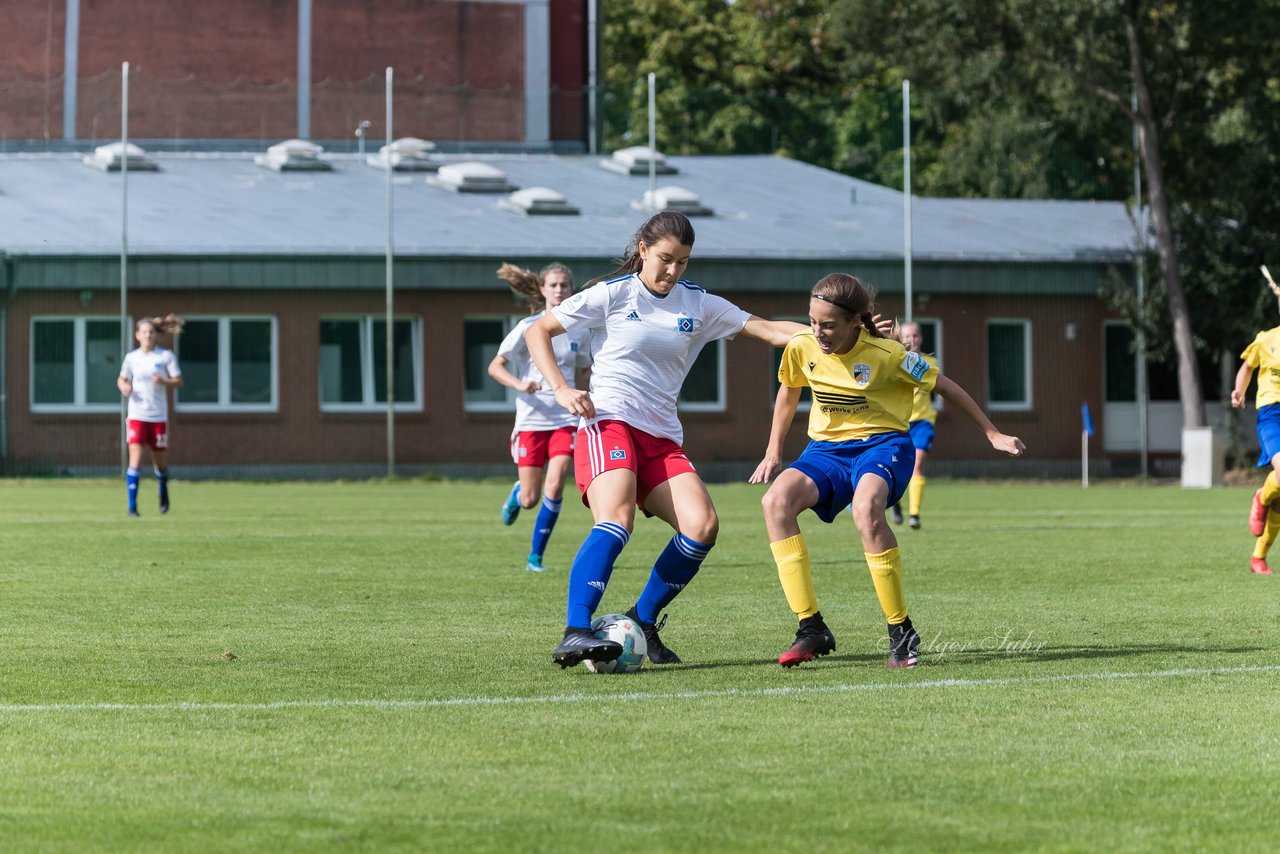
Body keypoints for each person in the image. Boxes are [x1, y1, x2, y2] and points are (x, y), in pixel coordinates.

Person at [524, 210, 809, 669]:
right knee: (617, 520)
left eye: (683, 262)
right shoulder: (613, 295)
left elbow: (773, 331)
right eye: (665, 259)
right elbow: (540, 330)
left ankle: (644, 620)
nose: (673, 271)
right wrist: (560, 387)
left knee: (702, 526)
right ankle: (576, 629)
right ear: (642, 250)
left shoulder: (699, 305)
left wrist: (838, 334)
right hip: (609, 423)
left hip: (661, 439)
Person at [750, 274, 1025, 669]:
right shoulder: (802, 347)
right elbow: (789, 391)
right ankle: (811, 627)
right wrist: (774, 451)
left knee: (865, 510)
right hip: (825, 450)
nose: (818, 332)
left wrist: (993, 433)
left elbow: (945, 386)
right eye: (812, 322)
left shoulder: (888, 355)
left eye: (828, 325)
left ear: (853, 322)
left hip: (884, 445)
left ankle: (900, 630)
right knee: (775, 502)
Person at [488, 262, 592, 572]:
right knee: (532, 498)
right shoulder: (527, 327)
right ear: (543, 290)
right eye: (554, 285)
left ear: (571, 290)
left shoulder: (580, 330)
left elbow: (585, 368)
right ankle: (520, 492)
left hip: (565, 419)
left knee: (557, 483)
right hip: (532, 419)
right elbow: (495, 366)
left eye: (565, 285)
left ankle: (535, 557)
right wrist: (520, 384)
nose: (560, 290)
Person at [1230, 297, 1280, 574]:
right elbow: (1248, 366)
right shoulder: (1266, 339)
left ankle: (1258, 557)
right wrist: (1240, 391)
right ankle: (1261, 497)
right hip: (1272, 413)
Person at [117, 315, 185, 517]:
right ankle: (132, 507)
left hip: (158, 417)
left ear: (155, 335)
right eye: (144, 332)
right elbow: (121, 379)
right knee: (135, 460)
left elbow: (178, 381)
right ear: (137, 335)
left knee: (159, 463)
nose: (148, 335)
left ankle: (163, 491)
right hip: (137, 415)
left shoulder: (165, 357)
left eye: (151, 332)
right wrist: (125, 387)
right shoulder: (132, 358)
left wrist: (165, 381)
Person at [888, 321, 939, 529]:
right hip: (899, 423)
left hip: (923, 422)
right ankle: (895, 502)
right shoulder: (893, 361)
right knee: (894, 467)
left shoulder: (930, 362)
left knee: (918, 465)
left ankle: (914, 515)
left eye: (915, 335)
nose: (911, 339)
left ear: (921, 338)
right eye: (907, 336)